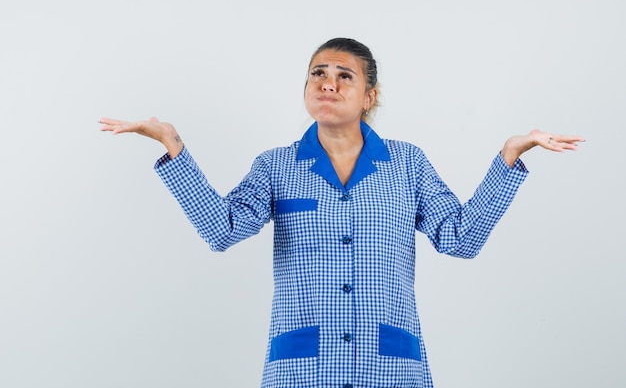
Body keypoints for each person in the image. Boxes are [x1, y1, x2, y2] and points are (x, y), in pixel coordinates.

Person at [100, 38, 583, 388]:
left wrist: (508, 159)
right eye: (318, 74)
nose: (327, 84)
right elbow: (221, 228)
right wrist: (173, 145)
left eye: (343, 76)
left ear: (370, 96)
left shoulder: (407, 164)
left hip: (390, 368)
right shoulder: (277, 166)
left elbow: (460, 238)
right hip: (301, 369)